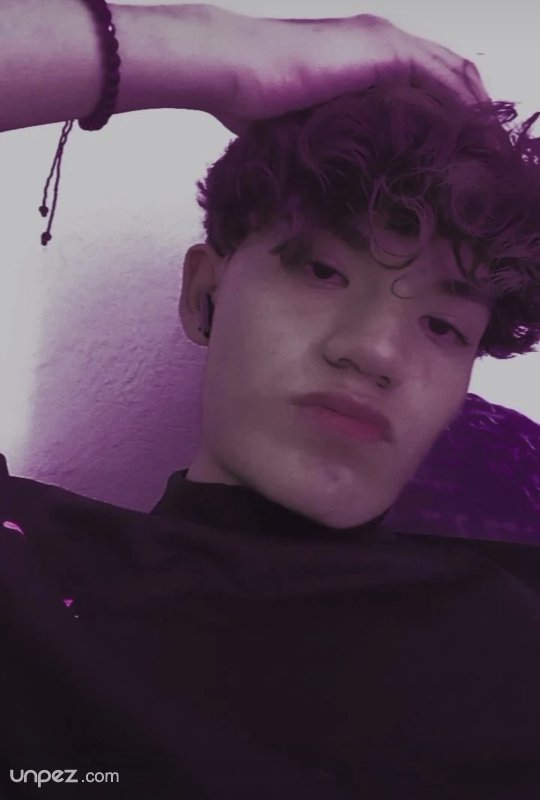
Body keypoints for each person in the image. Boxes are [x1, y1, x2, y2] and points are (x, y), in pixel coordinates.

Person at [0, 2, 539, 799]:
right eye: (322, 271)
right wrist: (221, 56)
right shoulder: (28, 570)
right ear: (204, 294)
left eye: (441, 324)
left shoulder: (512, 659)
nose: (376, 352)